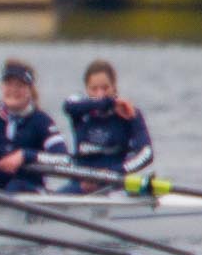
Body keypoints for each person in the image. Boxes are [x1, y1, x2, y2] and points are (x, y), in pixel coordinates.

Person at [0, 59, 70, 193]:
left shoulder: (41, 121)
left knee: (15, 186)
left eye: (19, 86)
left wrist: (25, 155)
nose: (13, 90)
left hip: (30, 190)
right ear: (2, 86)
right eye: (8, 84)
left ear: (30, 90)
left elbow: (63, 159)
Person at [62, 58, 154, 187]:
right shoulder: (78, 106)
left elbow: (147, 153)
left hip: (115, 181)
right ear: (86, 89)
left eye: (105, 88)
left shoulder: (129, 113)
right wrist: (109, 103)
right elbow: (68, 106)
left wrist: (112, 173)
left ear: (114, 87)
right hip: (82, 181)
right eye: (94, 89)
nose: (100, 94)